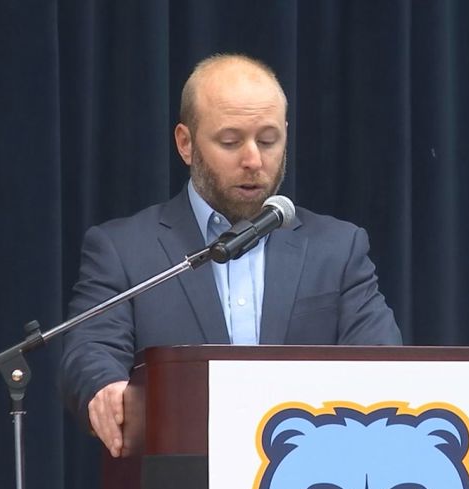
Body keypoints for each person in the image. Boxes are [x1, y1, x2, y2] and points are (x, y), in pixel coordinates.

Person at [61, 53, 402, 455]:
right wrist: (105, 388)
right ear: (186, 143)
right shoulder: (124, 248)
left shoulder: (338, 248)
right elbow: (91, 348)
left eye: (268, 140)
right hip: (179, 477)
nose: (253, 160)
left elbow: (383, 366)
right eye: (230, 141)